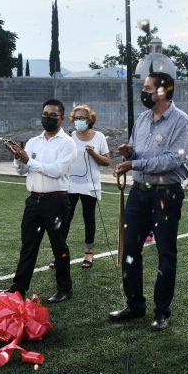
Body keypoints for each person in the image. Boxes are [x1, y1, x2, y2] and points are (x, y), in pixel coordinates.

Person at [109, 72, 188, 332]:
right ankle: (135, 304)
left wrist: (134, 162)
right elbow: (138, 149)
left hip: (166, 194)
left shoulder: (181, 121)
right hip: (139, 192)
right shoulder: (143, 119)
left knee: (166, 254)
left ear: (163, 92)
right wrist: (130, 151)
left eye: (147, 88)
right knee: (130, 250)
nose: (143, 92)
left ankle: (162, 311)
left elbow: (172, 160)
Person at [2, 99, 76, 302]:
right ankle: (18, 288)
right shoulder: (34, 141)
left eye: (53, 115)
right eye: (45, 114)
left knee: (58, 246)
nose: (48, 118)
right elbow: (21, 171)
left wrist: (29, 160)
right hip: (34, 202)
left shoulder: (68, 143)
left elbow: (57, 171)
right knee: (28, 245)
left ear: (61, 118)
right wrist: (18, 157)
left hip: (57, 202)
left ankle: (65, 288)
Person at [64, 104, 110, 268]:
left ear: (90, 119)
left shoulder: (99, 137)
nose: (78, 121)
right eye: (76, 118)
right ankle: (60, 254)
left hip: (90, 186)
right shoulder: (69, 137)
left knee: (88, 218)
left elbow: (107, 161)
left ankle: (88, 253)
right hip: (70, 185)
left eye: (82, 118)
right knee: (65, 219)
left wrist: (93, 154)